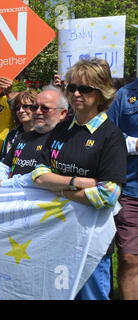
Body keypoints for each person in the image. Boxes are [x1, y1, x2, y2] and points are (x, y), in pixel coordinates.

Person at [32, 58, 127, 300]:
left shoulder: (111, 136)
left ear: (101, 92)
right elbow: (38, 175)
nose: (75, 94)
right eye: (71, 87)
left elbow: (107, 194)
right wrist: (78, 182)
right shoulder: (62, 129)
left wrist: (59, 188)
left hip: (91, 239)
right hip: (56, 231)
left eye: (84, 89)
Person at [0, 86, 68, 188]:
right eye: (35, 107)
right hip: (12, 199)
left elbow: (41, 177)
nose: (38, 111)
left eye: (45, 108)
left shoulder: (64, 140)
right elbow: (4, 165)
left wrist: (5, 184)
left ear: (62, 113)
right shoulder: (21, 137)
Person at [107, 77, 138, 300]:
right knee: (129, 257)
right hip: (131, 189)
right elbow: (109, 136)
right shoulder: (123, 96)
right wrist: (135, 144)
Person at [0, 90, 37, 163]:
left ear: (36, 108)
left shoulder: (46, 135)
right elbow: (3, 161)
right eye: (18, 108)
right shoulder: (12, 135)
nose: (21, 110)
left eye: (25, 106)